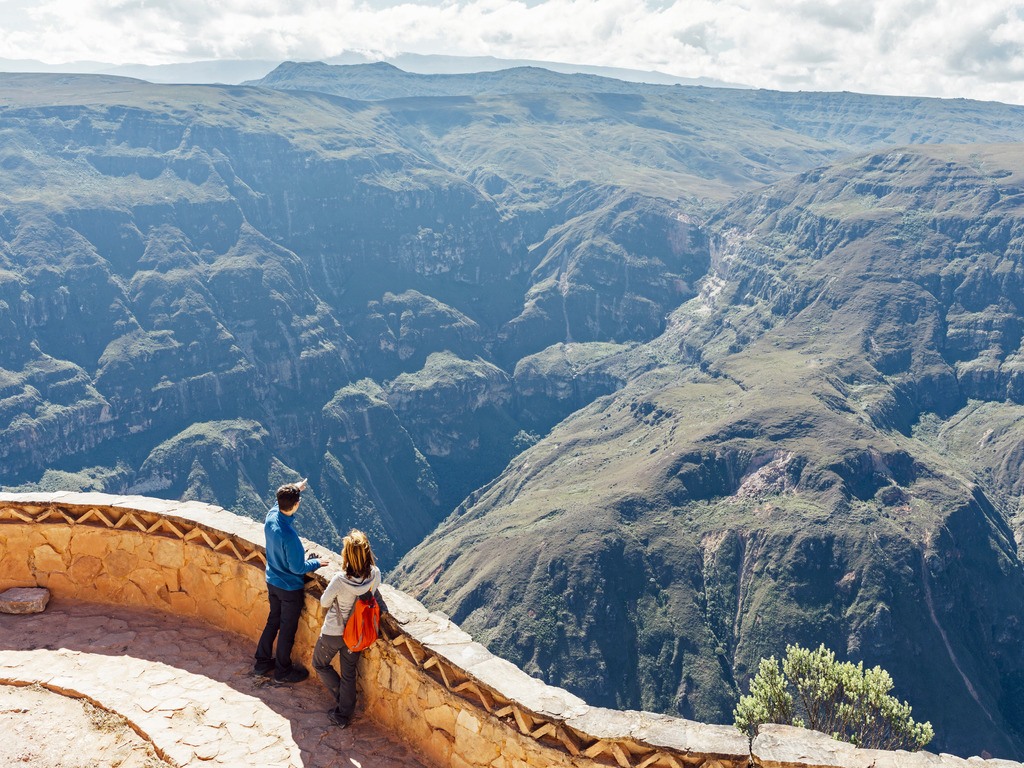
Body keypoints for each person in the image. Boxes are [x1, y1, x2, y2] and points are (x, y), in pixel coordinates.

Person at [312, 529, 387, 728]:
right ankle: (344, 714)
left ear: (347, 556)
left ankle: (341, 698)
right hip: (357, 634)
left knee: (319, 663)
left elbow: (325, 600)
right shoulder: (375, 575)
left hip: (334, 633)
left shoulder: (339, 580)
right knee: (349, 673)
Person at [254, 479, 322, 683]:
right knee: (287, 629)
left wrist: (296, 487)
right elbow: (298, 568)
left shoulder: (271, 517)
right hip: (289, 589)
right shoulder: (289, 536)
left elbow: (278, 503)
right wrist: (317, 562)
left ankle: (262, 662)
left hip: (272, 581)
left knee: (273, 621)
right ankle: (283, 671)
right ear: (296, 505)